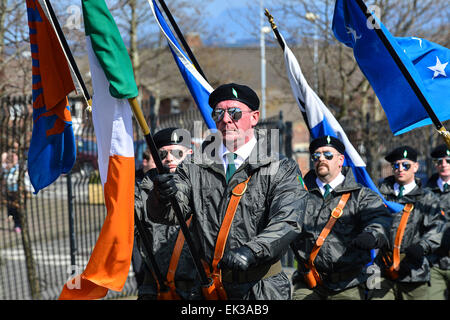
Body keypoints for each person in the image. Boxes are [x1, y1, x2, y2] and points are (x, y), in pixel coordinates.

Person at [148, 83, 308, 300]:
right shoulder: (194, 165)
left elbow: (288, 221)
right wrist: (161, 195)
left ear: (254, 117)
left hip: (261, 289)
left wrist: (252, 251)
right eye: (218, 113)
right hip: (210, 289)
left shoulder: (281, 168)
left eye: (234, 112)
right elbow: (169, 214)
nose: (225, 119)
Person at [290, 135, 392, 300]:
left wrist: (372, 235)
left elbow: (380, 218)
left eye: (328, 155)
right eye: (317, 156)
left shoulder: (361, 195)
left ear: (340, 160)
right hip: (309, 281)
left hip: (348, 284)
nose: (321, 159)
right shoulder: (298, 194)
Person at [134, 127, 198, 300]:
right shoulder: (142, 190)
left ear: (190, 153)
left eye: (177, 152)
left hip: (197, 289)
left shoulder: (204, 185)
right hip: (155, 287)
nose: (169, 158)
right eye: (162, 154)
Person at [375, 145, 445, 300]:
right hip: (381, 267)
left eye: (406, 165)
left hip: (414, 268)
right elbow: (371, 222)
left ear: (416, 167)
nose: (401, 169)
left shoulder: (427, 198)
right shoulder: (380, 196)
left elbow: (437, 229)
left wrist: (422, 246)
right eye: (396, 165)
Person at [425, 144, 450, 300]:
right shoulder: (426, 192)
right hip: (435, 262)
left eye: (448, 160)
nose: (443, 165)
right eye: (439, 162)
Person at [1, 147, 21, 233]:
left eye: (10, 162)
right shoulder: (5, 171)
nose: (8, 164)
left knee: (17, 209)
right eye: (7, 162)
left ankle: (18, 224)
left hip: (16, 192)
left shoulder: (16, 169)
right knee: (10, 207)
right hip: (8, 191)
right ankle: (12, 218)